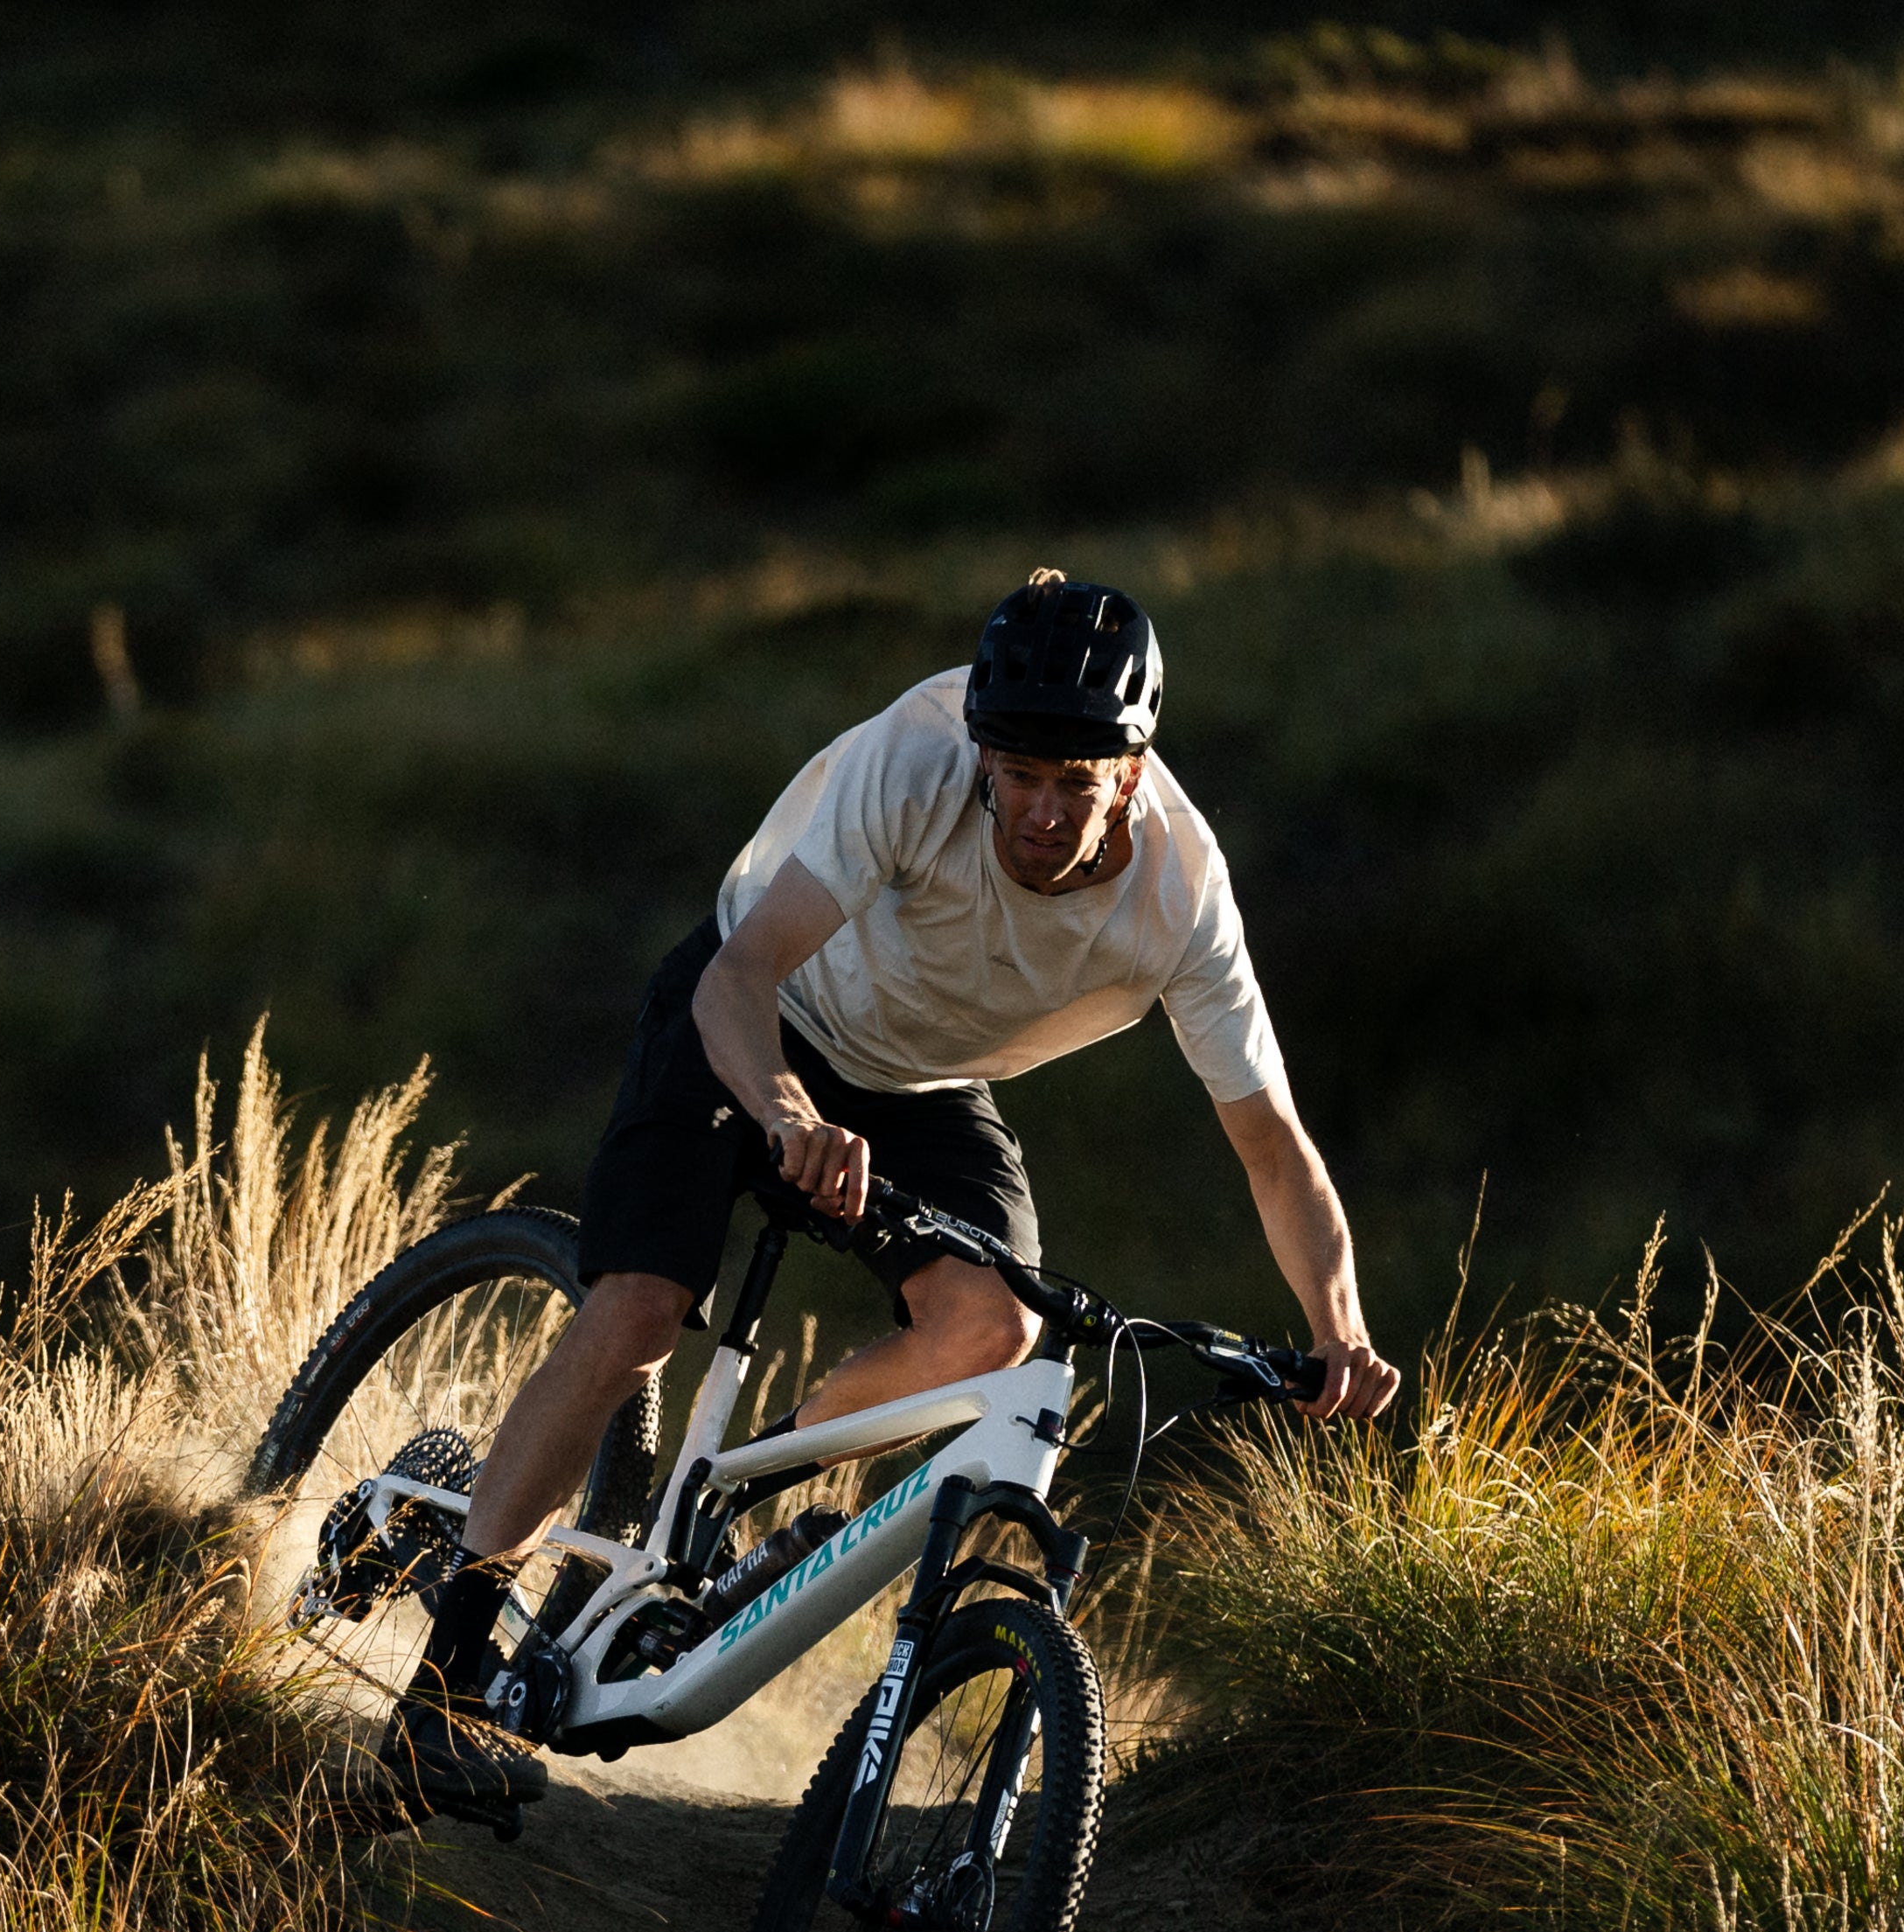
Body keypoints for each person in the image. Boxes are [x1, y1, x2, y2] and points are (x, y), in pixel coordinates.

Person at [386, 569, 1405, 1812]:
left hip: (920, 1081)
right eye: (1017, 775)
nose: (1036, 811)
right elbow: (740, 975)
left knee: (999, 1334)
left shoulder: (1182, 901)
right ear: (983, 749)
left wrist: (1337, 1328)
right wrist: (786, 1113)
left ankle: (737, 1498)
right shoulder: (918, 761)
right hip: (760, 1013)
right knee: (643, 1310)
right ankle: (433, 1699)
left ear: (1128, 776)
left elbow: (1273, 1146)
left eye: (1072, 786)